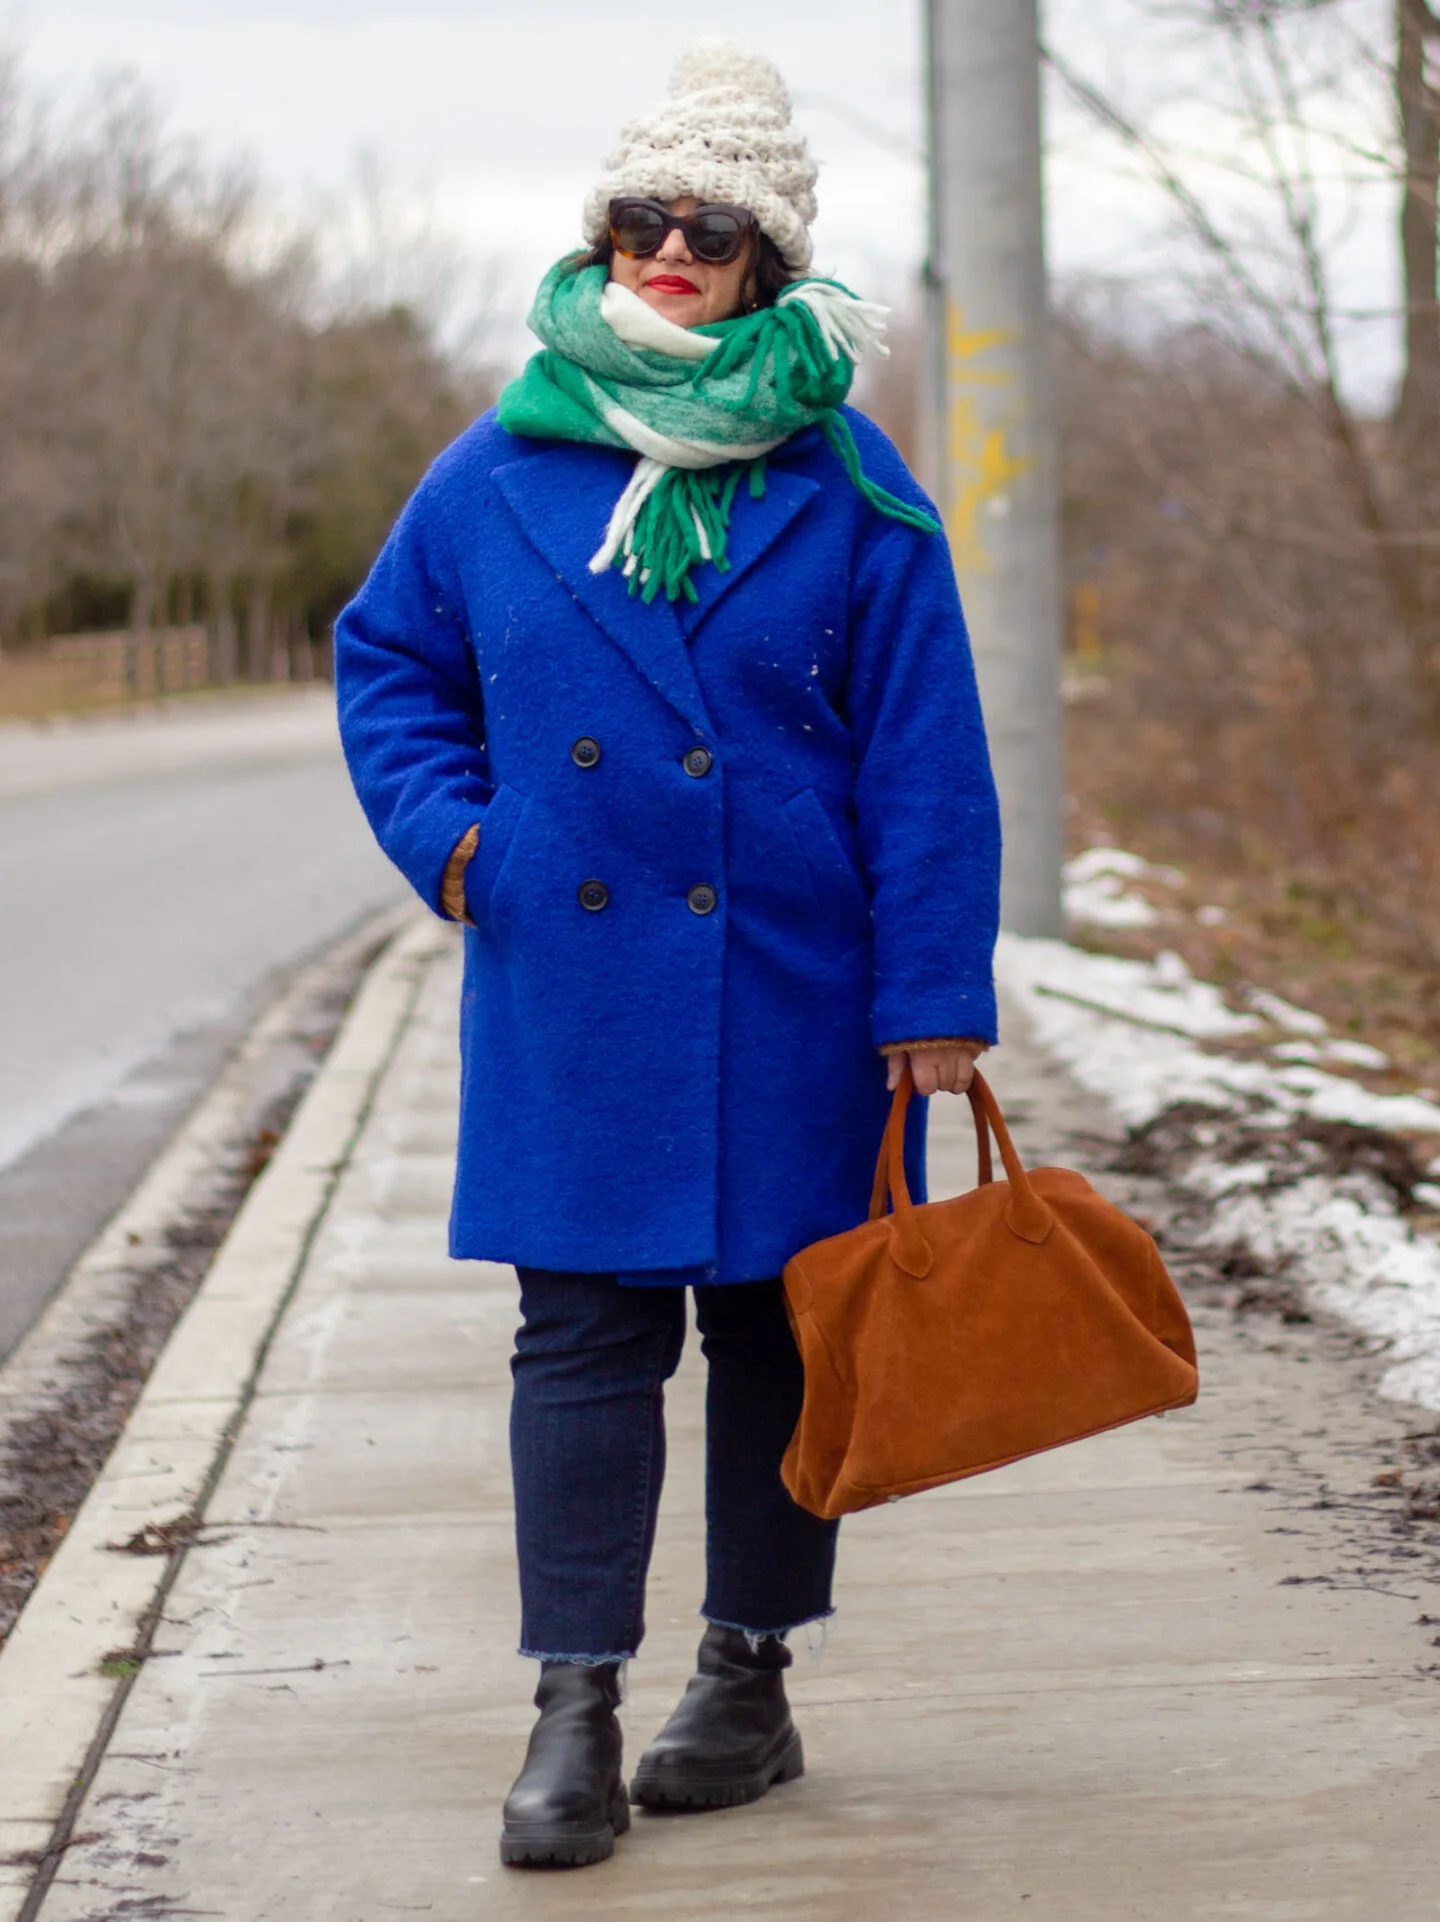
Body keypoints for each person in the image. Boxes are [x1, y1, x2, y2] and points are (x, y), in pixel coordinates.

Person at [335, 35, 1001, 1872]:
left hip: (799, 977)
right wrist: (462, 842)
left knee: (781, 1337)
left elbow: (927, 750)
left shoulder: (852, 480)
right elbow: (387, 658)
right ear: (600, 233)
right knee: (581, 1333)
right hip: (577, 971)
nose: (671, 252)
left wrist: (935, 1000)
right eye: (642, 218)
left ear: (769, 257)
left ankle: (751, 1674)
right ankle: (573, 1700)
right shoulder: (495, 465)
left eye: (712, 228)